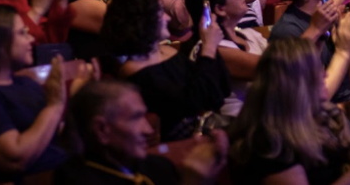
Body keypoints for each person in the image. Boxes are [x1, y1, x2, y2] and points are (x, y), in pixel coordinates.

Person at [228, 37, 350, 185]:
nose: (325, 75)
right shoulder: (267, 141)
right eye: (317, 70)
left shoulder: (326, 114)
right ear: (296, 83)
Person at [0, 5, 88, 183]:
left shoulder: (26, 84)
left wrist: (81, 98)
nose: (31, 39)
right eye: (22, 33)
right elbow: (14, 159)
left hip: (62, 172)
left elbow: (56, 136)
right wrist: (55, 105)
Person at [101, 0, 231, 141]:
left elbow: (219, 92)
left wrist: (209, 44)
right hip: (178, 146)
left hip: (204, 133)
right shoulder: (134, 71)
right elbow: (191, 104)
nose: (167, 18)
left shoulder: (167, 52)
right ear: (143, 20)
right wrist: (209, 47)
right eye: (160, 12)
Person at [60, 79, 229, 184]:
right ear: (102, 130)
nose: (148, 130)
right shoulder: (75, 178)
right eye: (136, 118)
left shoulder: (158, 167)